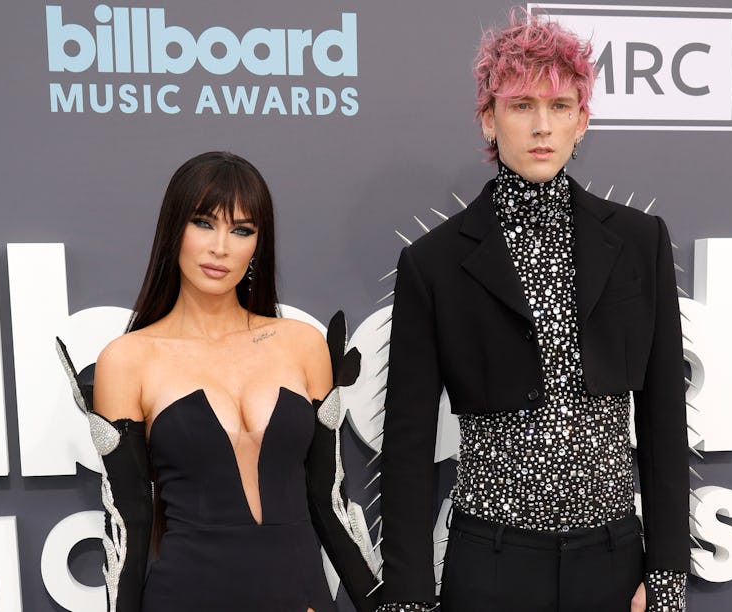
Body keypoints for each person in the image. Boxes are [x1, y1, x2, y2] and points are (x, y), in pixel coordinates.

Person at [378, 11, 689, 612]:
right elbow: (409, 446)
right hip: (489, 559)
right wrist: (410, 595)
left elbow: (663, 422)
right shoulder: (432, 263)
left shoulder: (639, 241)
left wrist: (669, 575)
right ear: (489, 120)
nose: (542, 126)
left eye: (561, 106)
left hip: (613, 558)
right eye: (521, 105)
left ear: (583, 121)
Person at [57, 151, 379, 612]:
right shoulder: (127, 360)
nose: (221, 247)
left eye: (242, 230)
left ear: (257, 246)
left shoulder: (301, 344)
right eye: (204, 223)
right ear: (174, 230)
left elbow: (328, 502)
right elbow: (131, 524)